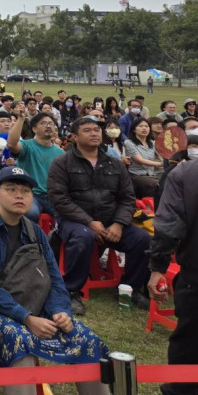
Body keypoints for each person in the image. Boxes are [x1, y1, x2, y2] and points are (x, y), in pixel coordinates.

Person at [0, 166, 115, 395]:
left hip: (34, 302)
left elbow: (54, 276)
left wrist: (61, 311)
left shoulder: (34, 230)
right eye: (11, 190)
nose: (19, 196)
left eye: (26, 191)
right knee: (20, 343)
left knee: (86, 340)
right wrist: (26, 318)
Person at [148, 111, 198, 395]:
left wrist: (157, 268)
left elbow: (168, 227)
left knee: (192, 342)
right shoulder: (186, 173)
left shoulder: (186, 174)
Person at [49, 115, 151, 316]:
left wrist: (119, 224)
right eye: (87, 130)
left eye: (96, 130)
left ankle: (130, 287)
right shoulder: (62, 163)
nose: (94, 133)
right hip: (73, 220)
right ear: (74, 137)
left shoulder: (114, 164)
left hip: (110, 221)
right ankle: (71, 290)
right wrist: (88, 222)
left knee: (142, 239)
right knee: (83, 236)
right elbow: (59, 199)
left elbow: (127, 198)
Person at [8, 109, 63, 222]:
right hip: (30, 194)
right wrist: (21, 119)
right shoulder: (27, 146)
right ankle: (30, 239)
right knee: (30, 213)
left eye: (51, 123)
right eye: (43, 123)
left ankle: (54, 238)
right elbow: (12, 144)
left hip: (52, 196)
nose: (48, 126)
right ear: (34, 129)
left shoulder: (60, 153)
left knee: (66, 215)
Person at [123, 117, 163, 198]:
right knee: (156, 185)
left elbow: (162, 155)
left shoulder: (152, 143)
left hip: (152, 174)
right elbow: (140, 160)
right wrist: (160, 164)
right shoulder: (129, 142)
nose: (144, 128)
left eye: (147, 126)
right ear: (134, 130)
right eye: (141, 126)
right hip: (136, 175)